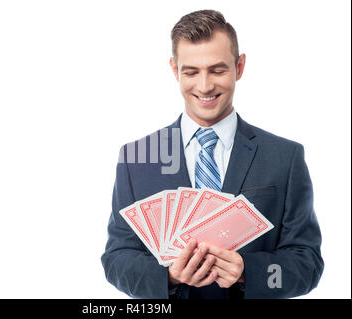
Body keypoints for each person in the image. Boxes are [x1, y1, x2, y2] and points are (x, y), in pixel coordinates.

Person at [101, 9, 323, 299]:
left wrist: (248, 272)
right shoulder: (138, 158)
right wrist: (167, 277)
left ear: (239, 67)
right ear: (174, 70)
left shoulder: (285, 157)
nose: (205, 86)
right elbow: (117, 259)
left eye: (218, 70)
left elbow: (307, 265)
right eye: (191, 72)